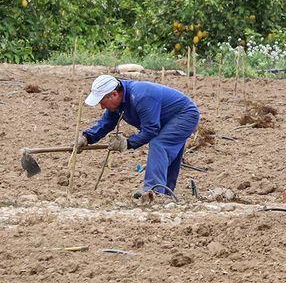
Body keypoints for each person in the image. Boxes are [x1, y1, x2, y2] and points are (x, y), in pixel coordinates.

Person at [74, 74, 201, 202]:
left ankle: (154, 192)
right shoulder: (119, 100)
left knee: (159, 144)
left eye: (102, 102)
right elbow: (106, 123)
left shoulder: (141, 96)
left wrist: (127, 143)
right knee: (165, 151)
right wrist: (87, 137)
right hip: (168, 119)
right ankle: (165, 194)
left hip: (185, 114)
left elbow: (151, 130)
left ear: (113, 94)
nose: (101, 107)